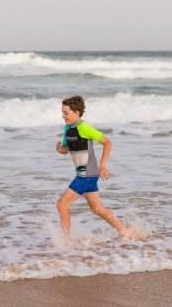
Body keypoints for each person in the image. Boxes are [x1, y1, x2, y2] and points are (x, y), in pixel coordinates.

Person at [55, 95, 134, 239]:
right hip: (84, 174)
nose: (63, 115)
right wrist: (61, 150)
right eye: (62, 112)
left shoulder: (85, 128)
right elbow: (67, 149)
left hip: (87, 174)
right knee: (96, 209)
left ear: (76, 112)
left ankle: (65, 241)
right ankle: (125, 231)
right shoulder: (68, 129)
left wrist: (102, 165)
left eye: (65, 113)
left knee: (61, 205)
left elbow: (107, 143)